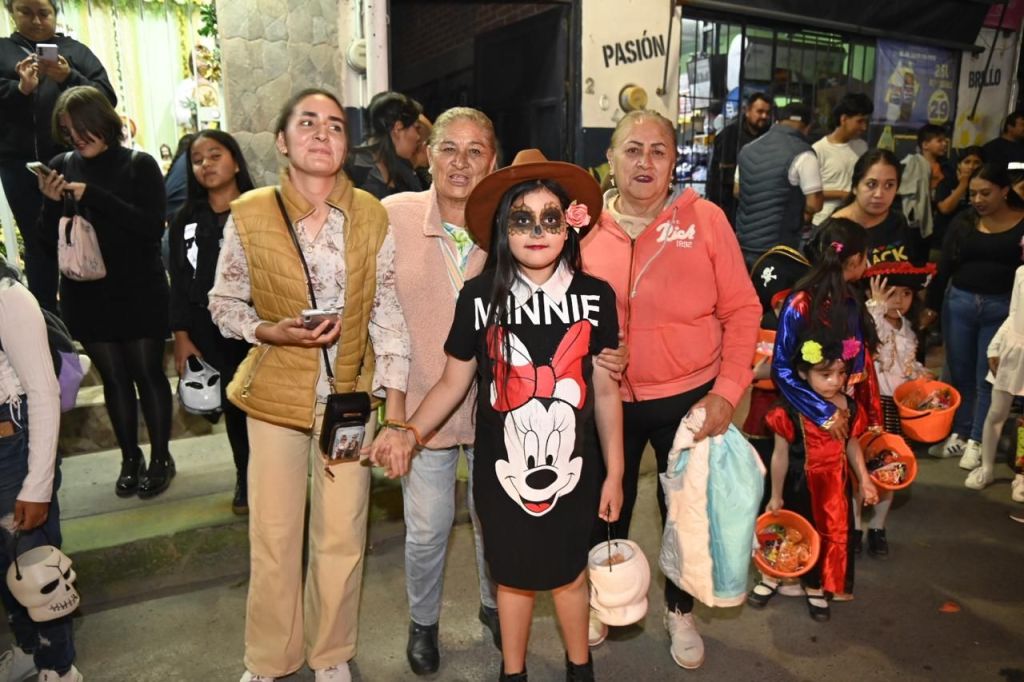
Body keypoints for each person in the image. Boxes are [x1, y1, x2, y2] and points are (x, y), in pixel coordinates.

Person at [369, 149, 623, 682]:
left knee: (571, 572)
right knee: (511, 576)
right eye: (522, 220)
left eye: (550, 218)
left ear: (570, 226)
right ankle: (513, 672)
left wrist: (616, 472)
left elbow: (605, 392)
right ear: (503, 230)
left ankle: (581, 668)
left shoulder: (597, 297)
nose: (537, 232)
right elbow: (452, 382)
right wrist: (409, 431)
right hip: (501, 472)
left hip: (577, 468)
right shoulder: (478, 297)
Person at [208, 88, 409, 682]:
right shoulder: (249, 212)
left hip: (349, 400)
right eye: (307, 123)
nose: (323, 133)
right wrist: (267, 330)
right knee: (273, 536)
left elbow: (389, 317)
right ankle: (270, 658)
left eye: (335, 125)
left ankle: (331, 653)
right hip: (275, 398)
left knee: (342, 535)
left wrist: (395, 414)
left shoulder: (372, 214)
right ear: (281, 140)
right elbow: (223, 302)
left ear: (347, 143)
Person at [581, 109, 760, 670]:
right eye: (632, 149)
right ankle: (605, 598)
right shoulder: (581, 225)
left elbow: (743, 309)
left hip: (687, 398)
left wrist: (727, 391)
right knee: (605, 505)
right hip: (604, 398)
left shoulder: (705, 220)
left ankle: (680, 609)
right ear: (610, 158)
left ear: (674, 162)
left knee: (683, 512)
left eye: (658, 151)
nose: (645, 161)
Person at [378, 107, 502, 675]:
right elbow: (383, 318)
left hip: (497, 409)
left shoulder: (509, 222)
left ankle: (495, 605)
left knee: (493, 520)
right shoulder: (394, 216)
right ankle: (423, 622)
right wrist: (395, 414)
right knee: (427, 530)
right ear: (427, 154)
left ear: (492, 161)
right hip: (422, 406)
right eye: (448, 147)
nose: (460, 162)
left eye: (475, 151)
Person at [36, 85, 173, 499]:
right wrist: (50, 203)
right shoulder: (60, 166)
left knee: (147, 373)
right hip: (86, 293)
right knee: (114, 379)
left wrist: (94, 196)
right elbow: (46, 243)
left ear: (103, 122)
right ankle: (130, 458)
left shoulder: (139, 165)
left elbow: (150, 228)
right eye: (67, 130)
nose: (76, 137)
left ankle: (160, 458)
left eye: (82, 128)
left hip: (139, 288)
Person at [751, 328, 879, 621]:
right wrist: (776, 495)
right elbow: (780, 455)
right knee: (786, 531)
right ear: (803, 373)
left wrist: (865, 480)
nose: (835, 381)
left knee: (827, 535)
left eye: (841, 373)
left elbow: (852, 444)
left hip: (834, 485)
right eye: (825, 374)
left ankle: (815, 586)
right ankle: (771, 577)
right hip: (797, 484)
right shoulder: (788, 410)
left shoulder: (849, 407)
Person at [0, 0, 116, 313]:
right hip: (19, 166)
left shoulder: (75, 52)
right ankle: (48, 322)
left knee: (85, 234)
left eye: (44, 13)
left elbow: (106, 99)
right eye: (26, 12)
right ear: (11, 12)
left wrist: (68, 76)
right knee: (38, 242)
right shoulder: (2, 51)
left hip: (76, 162)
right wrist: (20, 90)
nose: (36, 20)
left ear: (55, 14)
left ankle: (92, 314)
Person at [0, 263, 80, 682]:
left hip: (11, 447)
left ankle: (60, 668)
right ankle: (30, 649)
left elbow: (43, 391)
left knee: (35, 569)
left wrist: (37, 486)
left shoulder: (8, 297)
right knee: (5, 565)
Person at [168, 130, 255, 515]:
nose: (206, 164)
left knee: (261, 404)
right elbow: (179, 281)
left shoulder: (260, 209)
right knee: (234, 406)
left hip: (258, 324)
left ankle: (273, 475)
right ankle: (245, 476)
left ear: (235, 161)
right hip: (207, 327)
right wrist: (181, 336)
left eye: (215, 155)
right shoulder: (184, 219)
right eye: (197, 159)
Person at [925, 164, 1024, 462]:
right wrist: (931, 305)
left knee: (987, 377)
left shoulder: (1021, 223)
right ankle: (960, 432)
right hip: (960, 304)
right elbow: (944, 266)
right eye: (973, 194)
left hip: (1001, 309)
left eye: (985, 193)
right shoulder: (964, 221)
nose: (978, 200)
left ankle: (978, 441)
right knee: (960, 372)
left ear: (1004, 191)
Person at [859, 261, 934, 557]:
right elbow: (869, 337)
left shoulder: (909, 329)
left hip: (896, 408)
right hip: (870, 403)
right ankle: (854, 527)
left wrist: (921, 376)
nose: (899, 300)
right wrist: (875, 306)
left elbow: (907, 365)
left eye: (906, 293)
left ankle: (878, 526)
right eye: (891, 293)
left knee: (890, 468)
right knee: (860, 468)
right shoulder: (871, 321)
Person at [734, 101, 823, 268]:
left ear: (777, 121)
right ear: (807, 127)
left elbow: (737, 191)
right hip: (780, 249)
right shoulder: (804, 153)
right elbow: (814, 204)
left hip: (743, 244)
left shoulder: (747, 149)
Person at [968, 265, 1024, 497]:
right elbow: (1014, 314)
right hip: (1014, 350)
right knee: (996, 413)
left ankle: (1021, 476)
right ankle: (987, 467)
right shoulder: (1021, 273)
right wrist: (995, 345)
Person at [816, 149, 926, 266]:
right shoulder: (833, 231)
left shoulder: (898, 221)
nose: (879, 194)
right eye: (871, 184)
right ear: (855, 187)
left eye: (889, 185)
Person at [706, 92, 771, 222]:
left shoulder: (770, 136)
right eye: (760, 111)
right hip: (730, 206)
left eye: (767, 113)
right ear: (747, 111)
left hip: (761, 208)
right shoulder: (729, 136)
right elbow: (718, 177)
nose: (764, 116)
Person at [346, 91, 423, 199]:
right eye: (417, 128)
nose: (418, 137)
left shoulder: (405, 168)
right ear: (398, 128)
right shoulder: (350, 166)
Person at [811, 93, 872, 225]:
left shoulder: (862, 147)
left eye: (866, 122)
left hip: (856, 220)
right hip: (825, 221)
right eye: (860, 121)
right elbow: (811, 192)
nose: (864, 127)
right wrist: (842, 194)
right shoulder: (819, 149)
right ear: (844, 119)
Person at [897, 124, 950, 246]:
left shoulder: (946, 168)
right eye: (939, 141)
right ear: (925, 145)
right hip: (914, 224)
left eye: (945, 141)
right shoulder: (911, 164)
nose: (944, 144)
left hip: (938, 224)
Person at [933, 146, 984, 247]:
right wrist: (963, 185)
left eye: (976, 162)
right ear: (959, 165)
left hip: (974, 239)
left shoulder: (986, 186)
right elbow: (945, 209)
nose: (971, 166)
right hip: (944, 239)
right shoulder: (947, 182)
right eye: (967, 162)